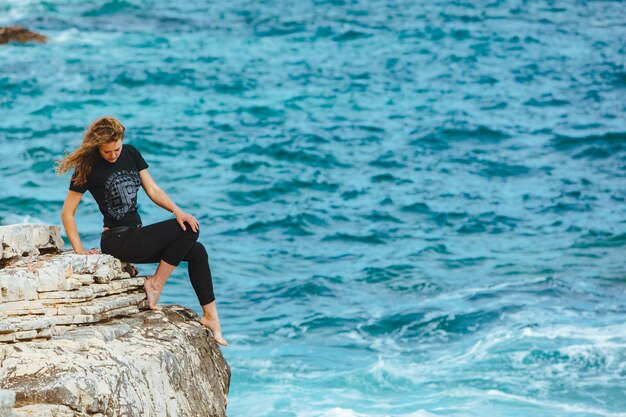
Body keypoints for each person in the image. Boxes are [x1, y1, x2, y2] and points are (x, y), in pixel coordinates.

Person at [55, 116, 227, 346]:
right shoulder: (87, 167)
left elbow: (153, 189)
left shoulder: (131, 153)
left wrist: (177, 211)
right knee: (189, 231)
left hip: (137, 236)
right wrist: (79, 251)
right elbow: (67, 213)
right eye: (107, 152)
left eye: (116, 149)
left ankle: (211, 317)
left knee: (196, 250)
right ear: (97, 147)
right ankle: (155, 284)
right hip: (117, 240)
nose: (113, 155)